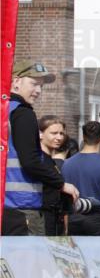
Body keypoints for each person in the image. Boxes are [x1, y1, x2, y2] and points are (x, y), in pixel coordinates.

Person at [4, 60, 79, 235]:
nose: (38, 91)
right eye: (34, 83)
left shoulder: (5, 111)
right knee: (29, 262)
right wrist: (61, 184)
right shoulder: (24, 113)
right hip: (22, 207)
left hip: (5, 206)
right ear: (16, 81)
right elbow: (30, 161)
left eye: (41, 86)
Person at [61, 122, 100, 235]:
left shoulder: (67, 164)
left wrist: (65, 227)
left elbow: (64, 199)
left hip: (74, 218)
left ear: (84, 137)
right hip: (98, 220)